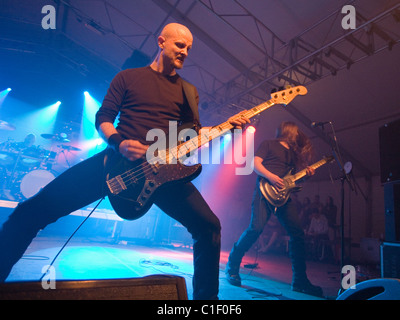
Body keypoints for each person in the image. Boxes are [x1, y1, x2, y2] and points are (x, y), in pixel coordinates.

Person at [0, 23, 249, 300]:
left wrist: (226, 126)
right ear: (161, 42)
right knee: (29, 213)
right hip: (114, 163)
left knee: (209, 226)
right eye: (180, 45)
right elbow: (103, 117)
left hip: (161, 171)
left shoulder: (188, 91)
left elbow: (190, 135)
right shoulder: (128, 77)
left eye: (189, 48)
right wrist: (118, 142)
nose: (185, 52)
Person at [225, 121, 323, 297]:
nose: (298, 133)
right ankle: (232, 266)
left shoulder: (293, 154)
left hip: (283, 197)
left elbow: (292, 182)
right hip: (263, 191)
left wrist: (305, 177)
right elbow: (255, 163)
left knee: (297, 234)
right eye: (295, 130)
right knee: (255, 229)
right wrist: (270, 176)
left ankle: (300, 280)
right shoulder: (268, 144)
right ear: (288, 131)